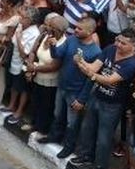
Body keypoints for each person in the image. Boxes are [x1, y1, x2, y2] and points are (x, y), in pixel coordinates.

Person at [72, 28, 135, 169]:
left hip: (112, 104)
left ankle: (100, 166)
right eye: (118, 40)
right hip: (97, 96)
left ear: (133, 46)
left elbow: (109, 80)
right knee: (87, 128)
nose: (118, 44)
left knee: (104, 137)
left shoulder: (132, 64)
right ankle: (86, 155)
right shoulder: (110, 49)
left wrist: (90, 73)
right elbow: (94, 67)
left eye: (123, 43)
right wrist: (82, 62)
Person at [38, 16, 101, 158]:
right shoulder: (72, 39)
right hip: (62, 86)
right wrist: (53, 46)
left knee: (72, 123)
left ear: (90, 31)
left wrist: (82, 99)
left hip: (76, 92)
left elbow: (91, 79)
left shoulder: (95, 52)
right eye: (76, 27)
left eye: (80, 28)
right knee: (58, 114)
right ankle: (55, 136)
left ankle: (69, 146)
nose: (76, 30)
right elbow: (58, 55)